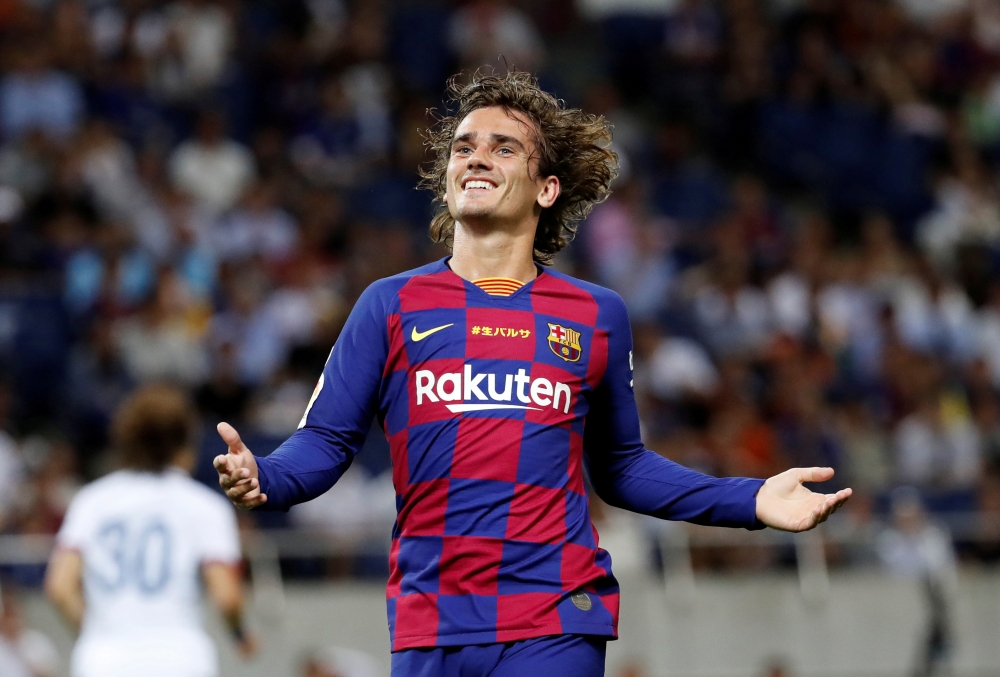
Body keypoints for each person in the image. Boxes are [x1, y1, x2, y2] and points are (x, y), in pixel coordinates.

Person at [214, 69, 852, 677]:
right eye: (464, 146)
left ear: (546, 188)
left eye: (504, 147)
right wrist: (265, 475)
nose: (477, 157)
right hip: (430, 618)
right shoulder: (390, 304)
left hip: (555, 611)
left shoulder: (595, 314)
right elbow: (326, 440)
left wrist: (749, 499)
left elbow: (622, 468)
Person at [46, 384, 255, 677]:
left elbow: (60, 586)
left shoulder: (92, 500)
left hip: (104, 660)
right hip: (181, 658)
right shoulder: (205, 506)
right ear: (184, 442)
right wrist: (239, 634)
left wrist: (95, 632)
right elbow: (227, 597)